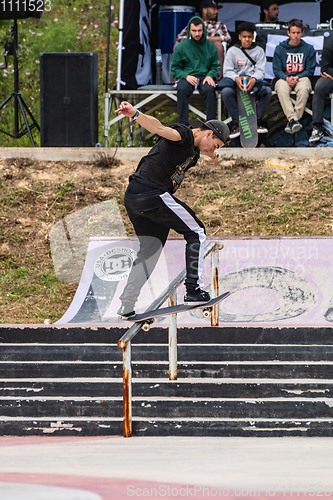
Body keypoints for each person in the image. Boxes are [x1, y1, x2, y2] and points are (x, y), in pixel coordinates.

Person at [115, 101, 229, 319]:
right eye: (215, 145)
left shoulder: (195, 152)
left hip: (134, 197)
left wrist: (214, 157)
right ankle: (193, 291)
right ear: (207, 134)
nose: (213, 150)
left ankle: (126, 304)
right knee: (196, 232)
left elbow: (209, 154)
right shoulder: (184, 135)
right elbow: (159, 128)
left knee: (149, 251)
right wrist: (136, 114)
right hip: (152, 194)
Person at [219, 21, 272, 139]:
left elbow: (261, 71)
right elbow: (227, 71)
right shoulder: (232, 51)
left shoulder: (259, 51)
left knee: (267, 91)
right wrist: (236, 79)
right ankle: (238, 124)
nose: (247, 39)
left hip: (254, 84)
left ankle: (256, 122)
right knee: (226, 92)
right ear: (239, 37)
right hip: (235, 84)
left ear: (253, 37)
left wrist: (253, 79)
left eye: (249, 37)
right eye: (244, 37)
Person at [171, 16, 221, 126]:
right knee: (182, 88)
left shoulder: (210, 46)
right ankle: (183, 125)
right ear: (189, 30)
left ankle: (211, 124)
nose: (197, 34)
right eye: (194, 31)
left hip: (205, 75)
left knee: (209, 89)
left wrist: (210, 75)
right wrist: (186, 75)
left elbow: (216, 67)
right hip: (187, 76)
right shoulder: (181, 47)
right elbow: (175, 69)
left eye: (199, 30)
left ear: (203, 30)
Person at [272, 19, 316, 134]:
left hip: (301, 77)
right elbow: (276, 69)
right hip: (284, 77)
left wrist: (298, 77)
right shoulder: (280, 48)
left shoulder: (309, 49)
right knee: (281, 88)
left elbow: (310, 70)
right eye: (293, 33)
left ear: (302, 33)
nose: (295, 36)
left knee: (304, 87)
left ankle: (292, 120)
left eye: (298, 33)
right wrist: (286, 78)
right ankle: (293, 120)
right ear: (288, 33)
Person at [175, 0, 231, 80]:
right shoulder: (194, 23)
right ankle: (176, 79)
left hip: (210, 53)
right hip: (193, 53)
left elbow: (227, 38)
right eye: (213, 9)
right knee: (177, 45)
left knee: (218, 45)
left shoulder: (219, 25)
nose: (216, 12)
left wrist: (207, 39)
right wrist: (195, 39)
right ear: (204, 10)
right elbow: (179, 38)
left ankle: (217, 78)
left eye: (216, 9)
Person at [309, 35, 333, 143]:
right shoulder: (330, 43)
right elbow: (325, 68)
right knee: (319, 88)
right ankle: (317, 127)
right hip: (331, 76)